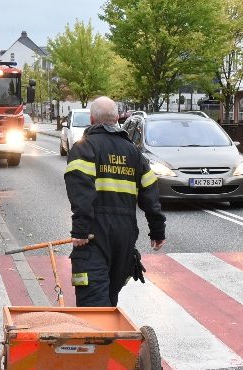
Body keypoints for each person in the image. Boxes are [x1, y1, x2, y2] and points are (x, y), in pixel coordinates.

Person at [64, 96, 166, 307]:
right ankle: (107, 337)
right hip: (125, 236)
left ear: (92, 119)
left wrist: (80, 230)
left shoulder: (85, 148)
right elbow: (150, 192)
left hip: (94, 235)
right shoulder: (133, 152)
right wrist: (157, 231)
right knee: (110, 297)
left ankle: (97, 337)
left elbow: (81, 192)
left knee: (93, 301)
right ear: (117, 119)